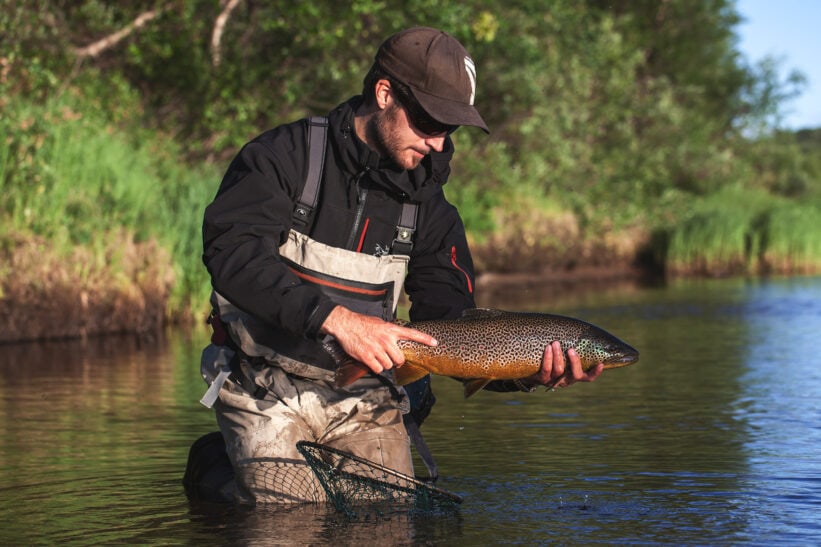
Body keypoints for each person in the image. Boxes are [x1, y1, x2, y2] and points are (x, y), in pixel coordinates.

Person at [196, 26, 602, 504]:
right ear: (384, 94)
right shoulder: (284, 157)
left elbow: (454, 331)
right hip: (265, 385)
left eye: (450, 129)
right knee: (289, 516)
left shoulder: (433, 211)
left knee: (388, 522)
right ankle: (218, 471)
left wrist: (526, 372)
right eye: (430, 123)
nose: (438, 143)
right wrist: (338, 321)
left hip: (367, 396)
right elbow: (232, 253)